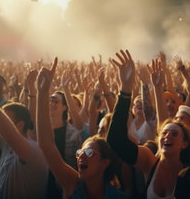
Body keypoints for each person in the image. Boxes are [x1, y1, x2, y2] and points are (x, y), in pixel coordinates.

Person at [107, 50, 190, 199]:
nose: (167, 137)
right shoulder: (149, 162)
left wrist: (159, 89)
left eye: (174, 134)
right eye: (164, 134)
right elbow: (115, 140)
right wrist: (126, 87)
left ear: (185, 143)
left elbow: (162, 121)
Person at [36, 57, 125, 199]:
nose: (81, 156)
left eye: (90, 153)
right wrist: (42, 92)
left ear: (105, 162)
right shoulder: (72, 184)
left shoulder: (118, 196)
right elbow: (46, 145)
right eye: (80, 152)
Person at [0, 65, 48, 199]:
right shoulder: (6, 147)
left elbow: (8, 131)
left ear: (19, 125)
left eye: (5, 120)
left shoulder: (33, 150)